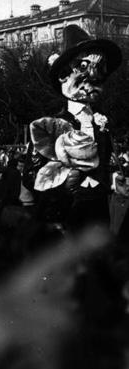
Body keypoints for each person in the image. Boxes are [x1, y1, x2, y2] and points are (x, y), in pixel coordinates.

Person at [28, 25, 127, 228]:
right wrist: (61, 187)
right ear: (63, 76)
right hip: (65, 212)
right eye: (84, 74)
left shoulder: (101, 123)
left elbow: (107, 161)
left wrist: (114, 179)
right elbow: (31, 174)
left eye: (99, 77)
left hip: (98, 207)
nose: (92, 82)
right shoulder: (50, 126)